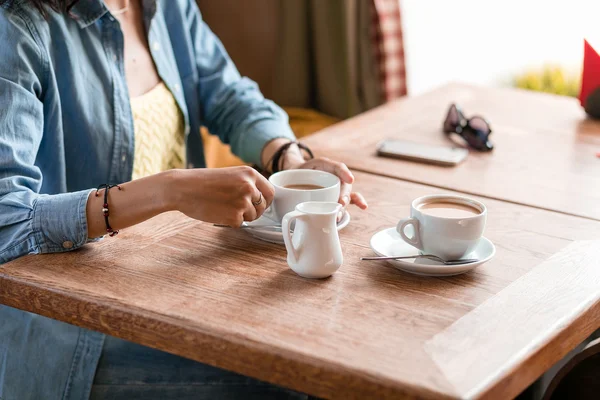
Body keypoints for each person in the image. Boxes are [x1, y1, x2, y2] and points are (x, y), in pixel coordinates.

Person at [0, 0, 368, 398]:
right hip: (72, 334)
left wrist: (288, 158)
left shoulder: (168, 6)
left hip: (178, 290)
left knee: (335, 348)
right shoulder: (16, 30)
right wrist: (168, 190)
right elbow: (8, 218)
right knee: (294, 383)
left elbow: (228, 95)